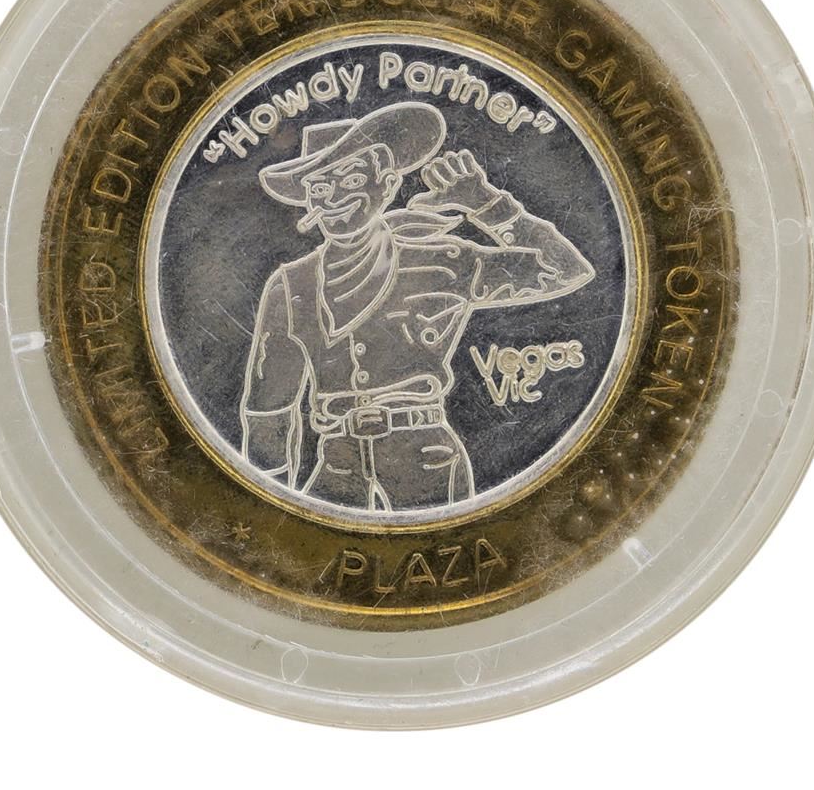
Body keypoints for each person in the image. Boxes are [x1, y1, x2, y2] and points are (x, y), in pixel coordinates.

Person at [240, 101, 594, 512]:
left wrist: (487, 204)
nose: (333, 198)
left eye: (351, 179)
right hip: (335, 465)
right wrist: (267, 505)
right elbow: (269, 410)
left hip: (427, 462)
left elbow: (567, 270)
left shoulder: (444, 262)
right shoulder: (289, 286)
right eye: (319, 189)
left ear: (387, 185)